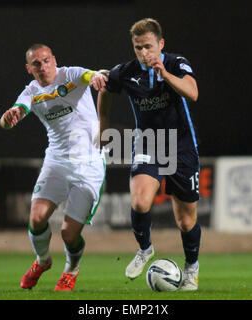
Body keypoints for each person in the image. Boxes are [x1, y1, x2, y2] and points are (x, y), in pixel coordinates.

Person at [97, 18, 201, 291]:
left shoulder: (177, 62)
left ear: (161, 44)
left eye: (148, 47)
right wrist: (103, 124)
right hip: (149, 143)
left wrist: (165, 74)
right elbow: (106, 87)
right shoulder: (126, 72)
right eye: (138, 48)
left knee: (185, 220)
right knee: (140, 202)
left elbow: (193, 93)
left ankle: (192, 269)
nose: (144, 53)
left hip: (181, 146)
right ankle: (145, 249)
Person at [0, 44, 107, 291]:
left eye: (47, 60)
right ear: (29, 68)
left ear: (54, 60)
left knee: (69, 233)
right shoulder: (31, 92)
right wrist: (9, 118)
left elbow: (89, 75)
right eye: (36, 63)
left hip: (89, 164)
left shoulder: (69, 74)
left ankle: (71, 269)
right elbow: (15, 113)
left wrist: (98, 76)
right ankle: (42, 261)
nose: (43, 66)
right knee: (36, 218)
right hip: (57, 161)